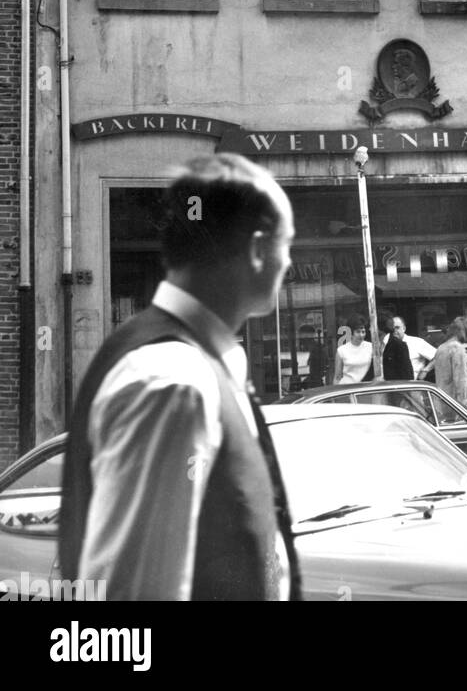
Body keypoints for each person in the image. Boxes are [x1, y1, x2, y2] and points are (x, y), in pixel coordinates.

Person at [59, 153, 302, 601]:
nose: (288, 263)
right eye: (286, 245)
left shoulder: (189, 363)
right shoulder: (175, 383)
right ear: (256, 249)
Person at [432, 317, 467, 410]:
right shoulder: (458, 350)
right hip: (456, 408)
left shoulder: (441, 348)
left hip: (441, 404)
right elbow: (461, 381)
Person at [391, 315, 436, 380]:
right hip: (394, 387)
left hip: (414, 387)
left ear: (404, 328)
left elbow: (438, 356)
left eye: (397, 327)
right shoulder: (386, 345)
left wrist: (425, 370)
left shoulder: (416, 342)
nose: (394, 331)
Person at [334, 315, 373, 384]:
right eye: (358, 332)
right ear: (351, 333)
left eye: (363, 332)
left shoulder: (371, 347)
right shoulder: (341, 350)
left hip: (366, 388)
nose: (361, 335)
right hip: (347, 389)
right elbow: (337, 377)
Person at [380, 312, 414, 381]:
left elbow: (407, 375)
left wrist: (425, 370)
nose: (369, 329)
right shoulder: (380, 344)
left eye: (397, 327)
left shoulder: (400, 345)